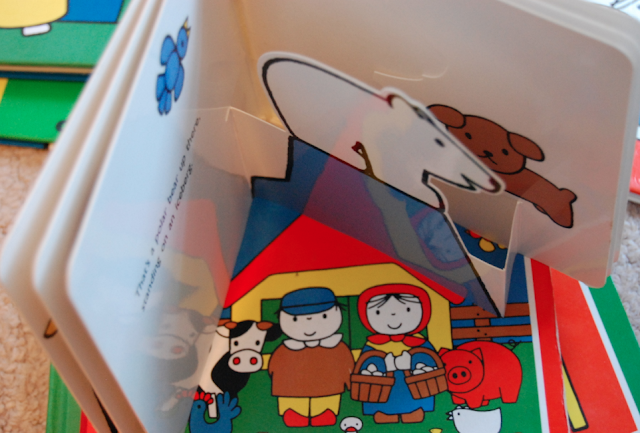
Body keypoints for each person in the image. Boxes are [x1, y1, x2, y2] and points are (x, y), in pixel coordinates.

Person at [268, 287, 354, 427]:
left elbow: (347, 365)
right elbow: (274, 367)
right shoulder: (286, 349)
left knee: (327, 400)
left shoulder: (336, 346)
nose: (309, 326)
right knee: (293, 402)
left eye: (323, 317)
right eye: (295, 319)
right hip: (291, 387)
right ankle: (294, 413)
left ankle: (325, 413)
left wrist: (349, 381)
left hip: (329, 385)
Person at [356, 283, 437, 424]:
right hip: (383, 385)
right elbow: (367, 363)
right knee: (379, 392)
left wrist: (411, 364)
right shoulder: (373, 345)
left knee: (416, 391)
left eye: (407, 310)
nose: (393, 316)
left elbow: (428, 360)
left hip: (412, 384)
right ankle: (383, 412)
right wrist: (384, 366)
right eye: (379, 312)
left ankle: (415, 410)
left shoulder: (419, 342)